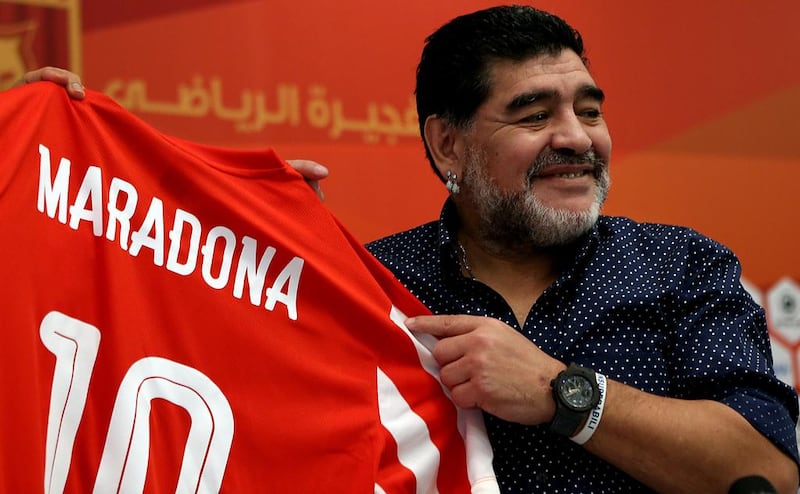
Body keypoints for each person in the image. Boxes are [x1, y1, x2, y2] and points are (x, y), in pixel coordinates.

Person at [19, 5, 800, 493]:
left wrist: (563, 393)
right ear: (446, 143)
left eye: (588, 110)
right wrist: (61, 145)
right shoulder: (375, 282)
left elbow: (765, 474)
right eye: (533, 114)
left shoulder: (683, 268)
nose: (576, 137)